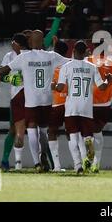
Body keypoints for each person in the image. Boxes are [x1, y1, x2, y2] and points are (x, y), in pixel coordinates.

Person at [0, 30, 69, 172]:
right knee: (43, 130)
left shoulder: (24, 57)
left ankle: (36, 163)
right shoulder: (52, 56)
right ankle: (44, 154)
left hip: (31, 100)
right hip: (47, 100)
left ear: (30, 42)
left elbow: (3, 70)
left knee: (30, 128)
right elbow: (71, 63)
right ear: (42, 41)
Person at [54, 41, 112, 173]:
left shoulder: (66, 67)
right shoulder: (92, 67)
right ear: (86, 51)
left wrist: (54, 86)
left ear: (73, 50)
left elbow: (60, 88)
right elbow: (102, 87)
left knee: (73, 137)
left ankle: (78, 165)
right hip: (86, 107)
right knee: (87, 135)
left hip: (71, 107)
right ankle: (88, 141)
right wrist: (108, 79)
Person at [0, 33, 29, 171]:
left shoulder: (15, 56)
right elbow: (0, 76)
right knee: (34, 130)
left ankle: (8, 161)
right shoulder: (11, 56)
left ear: (15, 43)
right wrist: (8, 80)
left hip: (22, 97)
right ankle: (6, 161)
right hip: (26, 97)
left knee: (20, 130)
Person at [86, 43, 112, 173]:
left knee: (86, 132)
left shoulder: (86, 60)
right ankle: (96, 163)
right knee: (98, 131)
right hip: (104, 103)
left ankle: (86, 158)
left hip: (88, 102)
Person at [48, 40, 70, 172]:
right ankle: (78, 164)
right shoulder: (71, 63)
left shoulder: (50, 64)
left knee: (52, 132)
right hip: (70, 103)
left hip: (56, 104)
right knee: (72, 133)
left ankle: (56, 166)